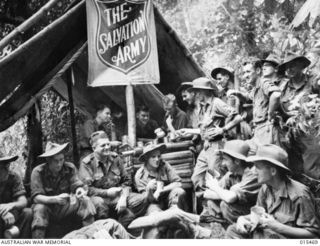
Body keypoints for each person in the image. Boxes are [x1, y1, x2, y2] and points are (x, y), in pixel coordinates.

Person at [226, 144, 320, 239]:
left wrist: (277, 227)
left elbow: (313, 235)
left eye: (258, 167)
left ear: (273, 171)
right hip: (268, 234)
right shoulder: (265, 187)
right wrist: (242, 218)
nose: (254, 171)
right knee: (232, 230)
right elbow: (258, 214)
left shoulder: (300, 195)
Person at [176, 77, 242, 195]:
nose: (196, 94)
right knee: (196, 178)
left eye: (198, 91)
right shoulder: (203, 106)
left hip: (216, 147)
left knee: (216, 178)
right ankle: (207, 205)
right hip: (206, 147)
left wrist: (223, 130)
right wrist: (188, 131)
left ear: (205, 91)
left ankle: (216, 208)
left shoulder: (216, 103)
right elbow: (205, 130)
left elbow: (238, 117)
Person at [79, 131, 148, 230]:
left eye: (108, 144)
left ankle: (121, 226)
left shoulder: (116, 158)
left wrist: (123, 197)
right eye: (103, 145)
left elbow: (127, 181)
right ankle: (105, 230)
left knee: (142, 199)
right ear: (94, 148)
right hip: (99, 198)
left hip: (117, 197)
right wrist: (107, 192)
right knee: (99, 204)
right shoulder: (87, 164)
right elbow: (87, 189)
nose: (107, 147)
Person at [31, 142, 96, 238]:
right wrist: (55, 199)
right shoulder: (38, 171)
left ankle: (91, 236)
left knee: (85, 200)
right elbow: (36, 198)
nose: (59, 164)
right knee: (40, 208)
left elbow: (77, 185)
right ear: (48, 160)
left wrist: (79, 190)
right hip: (48, 207)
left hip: (65, 206)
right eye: (55, 161)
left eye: (61, 159)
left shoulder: (69, 168)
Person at [278, 53, 320, 178]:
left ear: (302, 66)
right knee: (295, 170)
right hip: (291, 134)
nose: (289, 69)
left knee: (311, 169)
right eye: (287, 67)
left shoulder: (313, 81)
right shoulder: (284, 87)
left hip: (310, 132)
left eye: (293, 65)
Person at [134, 143, 187, 238]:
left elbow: (178, 183)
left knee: (179, 192)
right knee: (156, 219)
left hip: (168, 199)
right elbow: (145, 201)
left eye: (159, 156)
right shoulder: (140, 175)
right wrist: (149, 189)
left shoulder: (164, 165)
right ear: (146, 158)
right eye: (153, 157)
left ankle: (179, 227)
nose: (157, 159)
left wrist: (162, 189)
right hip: (153, 204)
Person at [202, 140, 260, 224]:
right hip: (245, 209)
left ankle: (242, 234)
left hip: (258, 214)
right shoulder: (232, 173)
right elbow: (206, 193)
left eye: (225, 159)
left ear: (237, 161)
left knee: (225, 205)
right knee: (212, 202)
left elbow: (230, 198)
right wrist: (224, 194)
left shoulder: (253, 174)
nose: (223, 164)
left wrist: (216, 188)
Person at [0, 152, 32, 238]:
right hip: (3, 215)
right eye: (2, 167)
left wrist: (11, 205)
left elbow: (23, 201)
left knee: (28, 213)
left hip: (11, 215)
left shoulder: (13, 177)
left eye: (8, 165)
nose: (7, 169)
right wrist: (2, 213)